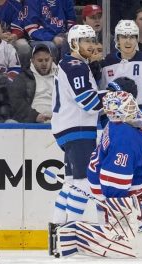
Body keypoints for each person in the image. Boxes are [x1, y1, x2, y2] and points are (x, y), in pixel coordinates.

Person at [49, 90, 142, 258]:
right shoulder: (124, 142)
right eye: (129, 106)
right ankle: (85, 236)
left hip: (136, 174)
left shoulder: (127, 122)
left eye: (131, 103)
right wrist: (125, 213)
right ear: (119, 112)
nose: (134, 108)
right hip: (117, 187)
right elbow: (113, 187)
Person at [50, 25, 104, 229]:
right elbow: (88, 102)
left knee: (71, 183)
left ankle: (56, 229)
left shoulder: (72, 64)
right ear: (74, 44)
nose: (91, 45)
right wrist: (115, 93)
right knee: (84, 183)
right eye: (86, 41)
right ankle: (70, 229)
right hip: (78, 130)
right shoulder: (75, 65)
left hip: (69, 130)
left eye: (93, 40)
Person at [8, 44, 56, 123]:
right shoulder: (23, 77)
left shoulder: (61, 77)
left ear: (52, 59)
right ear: (32, 61)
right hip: (32, 121)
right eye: (40, 60)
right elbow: (16, 102)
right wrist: (35, 116)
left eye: (47, 60)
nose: (44, 63)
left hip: (59, 120)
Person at [0, 14, 21, 81]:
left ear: (2, 31)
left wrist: (7, 81)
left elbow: (15, 69)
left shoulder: (9, 48)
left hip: (3, 85)